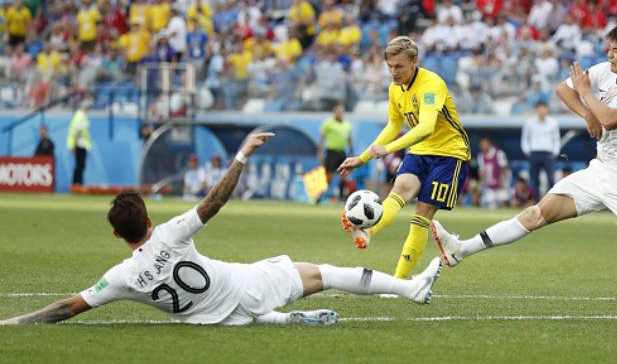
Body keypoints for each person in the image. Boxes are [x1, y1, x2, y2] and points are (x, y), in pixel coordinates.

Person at [431, 23, 617, 318]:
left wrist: (588, 97)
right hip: (599, 171)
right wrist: (586, 112)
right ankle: (460, 250)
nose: (609, 55)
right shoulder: (604, 71)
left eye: (616, 50)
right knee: (534, 215)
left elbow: (613, 119)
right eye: (609, 48)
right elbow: (563, 89)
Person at [0, 132, 442, 326]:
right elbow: (215, 201)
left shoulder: (120, 278)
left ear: (117, 235)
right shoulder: (171, 233)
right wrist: (242, 155)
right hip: (244, 288)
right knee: (323, 273)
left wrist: (15, 321)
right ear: (149, 221)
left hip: (214, 321)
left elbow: (66, 307)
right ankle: (410, 289)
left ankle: (285, 321)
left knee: (253, 311)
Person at [337, 36, 470, 279]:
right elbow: (393, 125)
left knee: (421, 215)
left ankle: (399, 281)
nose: (393, 72)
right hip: (420, 151)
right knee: (398, 191)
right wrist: (362, 158)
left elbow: (426, 127)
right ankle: (369, 231)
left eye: (399, 66)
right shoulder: (394, 89)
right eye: (389, 66)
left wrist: (388, 150)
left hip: (449, 155)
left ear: (414, 62)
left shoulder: (431, 85)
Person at [521, 100, 560, 200]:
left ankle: (550, 202)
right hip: (534, 153)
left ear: (547, 109)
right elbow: (525, 138)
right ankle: (537, 202)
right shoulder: (529, 122)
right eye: (540, 108)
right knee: (534, 180)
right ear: (536, 109)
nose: (542, 110)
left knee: (551, 179)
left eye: (544, 108)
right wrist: (526, 151)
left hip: (548, 154)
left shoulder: (553, 122)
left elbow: (556, 139)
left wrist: (555, 152)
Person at [317, 103, 353, 203]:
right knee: (329, 176)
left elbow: (349, 139)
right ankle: (320, 195)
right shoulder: (328, 124)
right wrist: (320, 152)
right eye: (338, 111)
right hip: (331, 152)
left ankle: (341, 197)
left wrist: (351, 150)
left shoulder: (347, 125)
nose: (340, 113)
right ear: (334, 112)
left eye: (341, 111)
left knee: (343, 175)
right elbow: (322, 137)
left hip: (342, 152)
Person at [477, 137, 510, 209]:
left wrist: (504, 182)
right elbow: (482, 172)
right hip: (490, 186)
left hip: (500, 184)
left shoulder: (499, 153)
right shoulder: (481, 156)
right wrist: (480, 184)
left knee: (505, 202)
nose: (483, 146)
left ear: (489, 143)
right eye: (482, 145)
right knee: (491, 206)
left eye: (485, 144)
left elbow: (504, 169)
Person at [66, 99, 92, 185]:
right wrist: (74, 146)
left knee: (79, 165)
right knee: (80, 166)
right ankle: (77, 185)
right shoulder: (81, 116)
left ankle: (76, 184)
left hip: (79, 144)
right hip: (80, 145)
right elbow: (78, 132)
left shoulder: (78, 115)